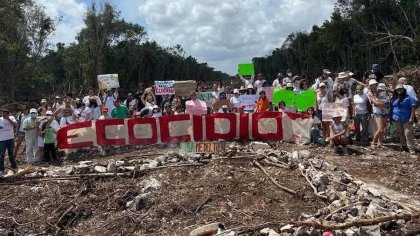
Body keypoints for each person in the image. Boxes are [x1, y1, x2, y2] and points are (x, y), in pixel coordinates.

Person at [390, 84, 417, 154]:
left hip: (407, 118)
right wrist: (391, 118)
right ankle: (404, 146)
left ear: (403, 90)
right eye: (398, 89)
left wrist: (412, 117)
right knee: (400, 133)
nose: (399, 91)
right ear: (395, 91)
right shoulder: (394, 98)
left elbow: (413, 107)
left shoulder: (408, 97)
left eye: (401, 89)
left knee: (408, 133)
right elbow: (391, 108)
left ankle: (411, 149)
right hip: (396, 118)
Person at [367, 79, 388, 149]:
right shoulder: (370, 93)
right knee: (380, 129)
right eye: (372, 85)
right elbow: (376, 103)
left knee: (382, 129)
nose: (374, 86)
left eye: (375, 84)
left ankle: (380, 143)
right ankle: (373, 142)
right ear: (370, 86)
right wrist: (383, 103)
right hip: (377, 112)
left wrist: (382, 103)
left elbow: (386, 102)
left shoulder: (381, 91)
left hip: (384, 111)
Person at [0, 108, 18, 175]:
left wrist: (8, 119)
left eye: (5, 114)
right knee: (1, 155)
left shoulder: (12, 117)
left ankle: (14, 166)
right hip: (2, 140)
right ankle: (1, 169)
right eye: (3, 114)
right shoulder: (0, 119)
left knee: (11, 154)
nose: (3, 115)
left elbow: (15, 124)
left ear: (8, 114)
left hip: (10, 139)